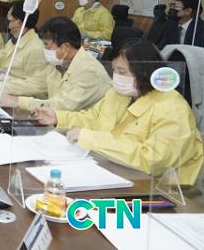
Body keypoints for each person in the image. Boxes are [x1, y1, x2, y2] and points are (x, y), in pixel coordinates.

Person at [35, 41, 203, 185]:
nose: (116, 77)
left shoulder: (172, 108)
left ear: (144, 72)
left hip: (162, 188)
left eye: (122, 72)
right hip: (116, 170)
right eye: (114, 70)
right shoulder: (120, 93)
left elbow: (153, 160)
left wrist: (91, 139)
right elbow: (92, 118)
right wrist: (58, 117)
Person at [0, 17, 111, 111]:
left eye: (47, 45)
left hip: (84, 131)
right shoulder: (59, 64)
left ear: (65, 47)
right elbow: (33, 84)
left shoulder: (88, 70)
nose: (44, 50)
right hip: (59, 124)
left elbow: (64, 105)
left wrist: (19, 102)